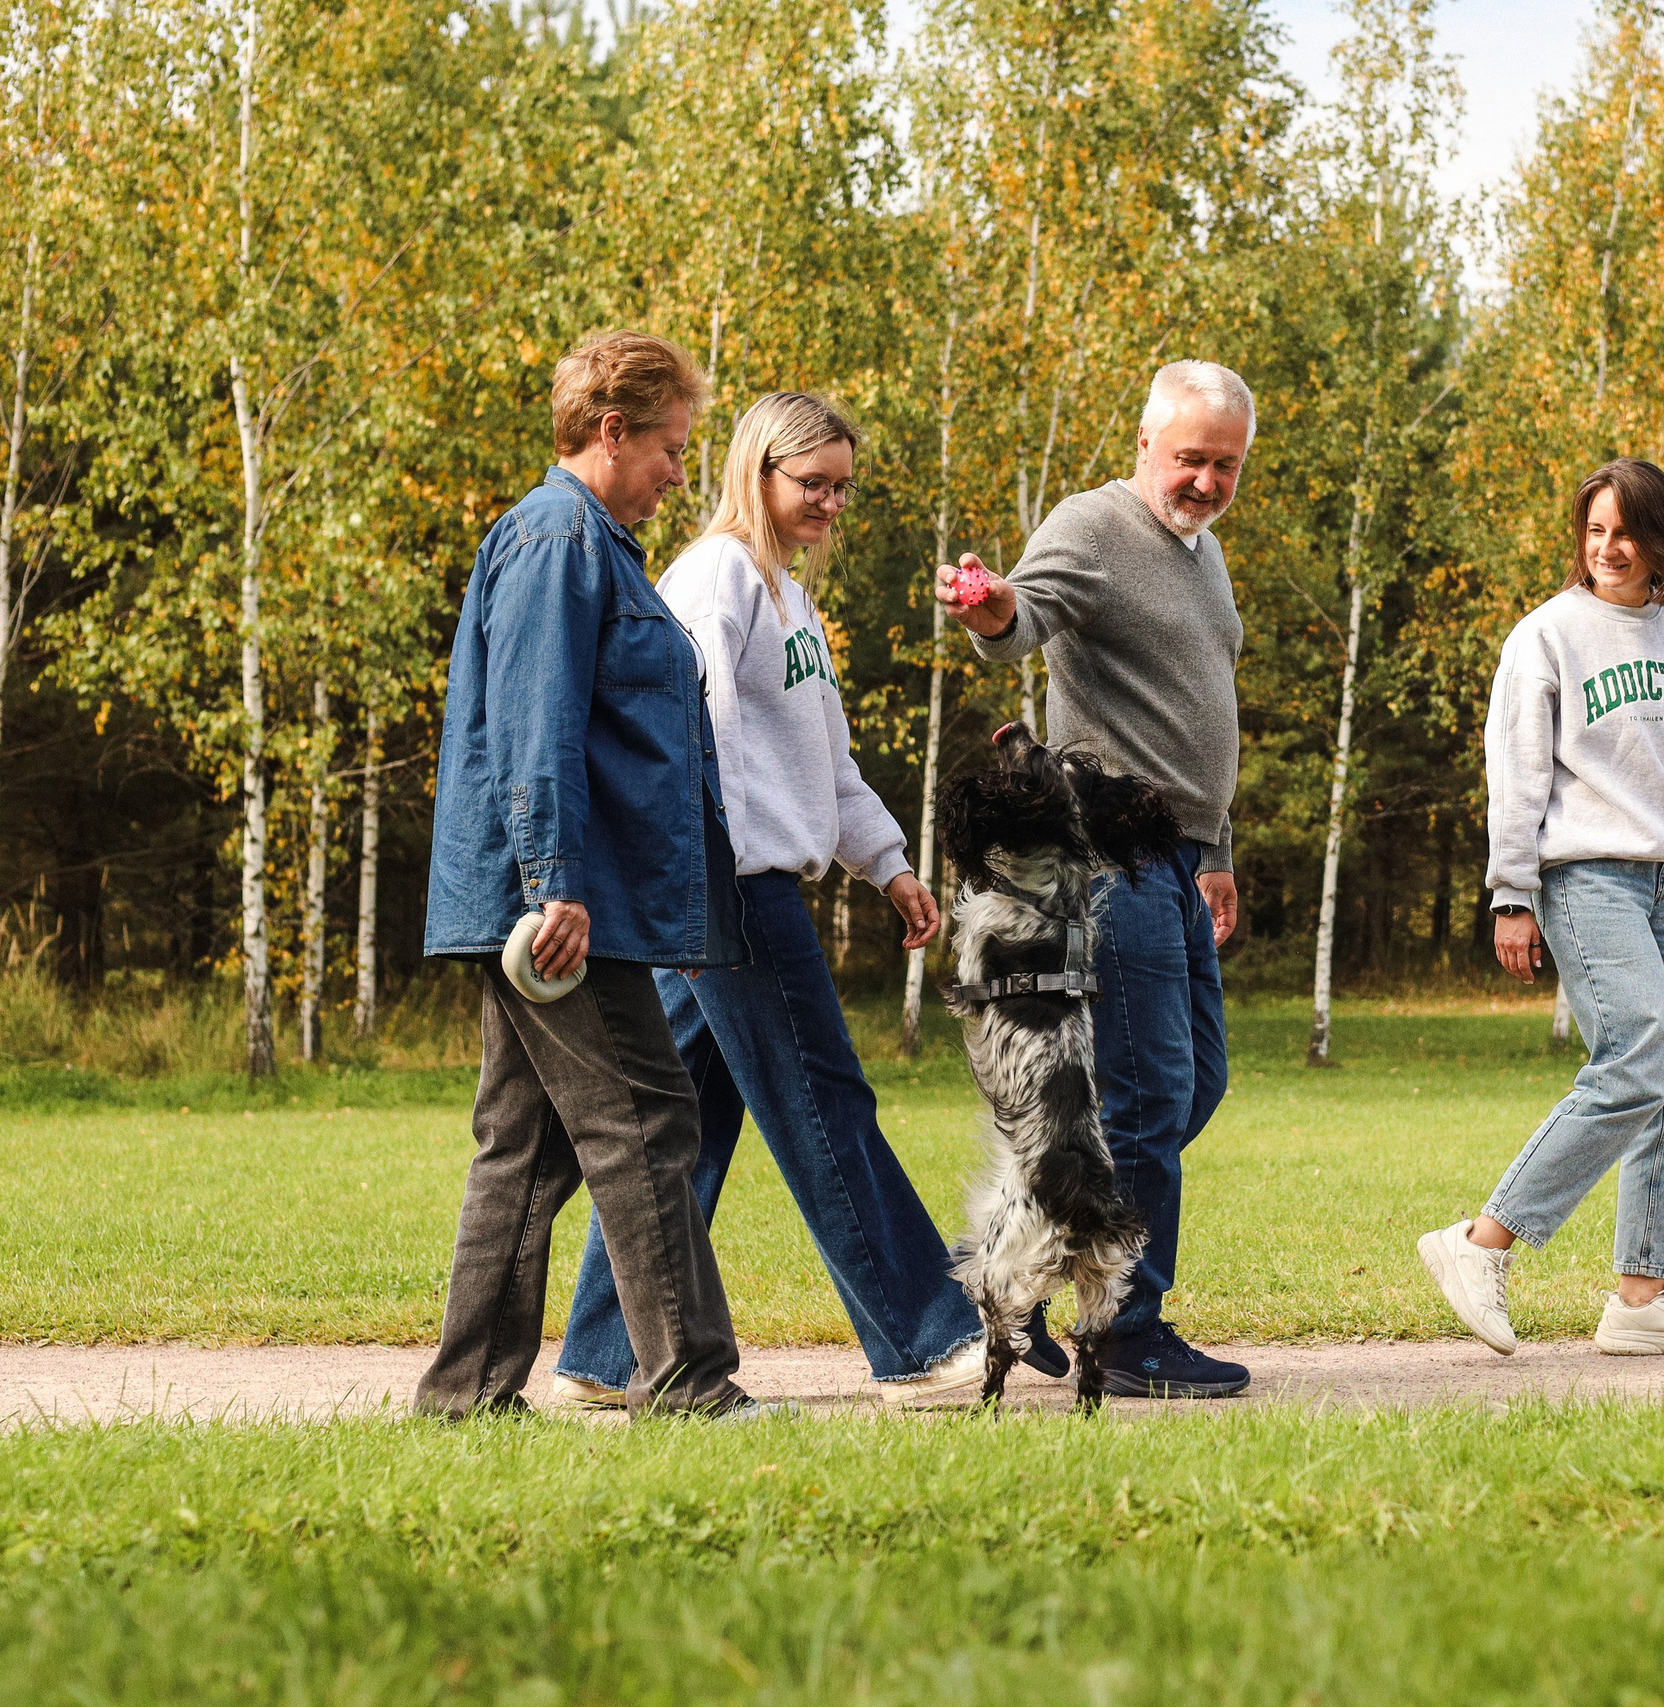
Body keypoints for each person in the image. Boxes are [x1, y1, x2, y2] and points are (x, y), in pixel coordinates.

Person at [554, 391, 1061, 1405]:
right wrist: (701, 882)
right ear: (759, 471)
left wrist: (890, 863)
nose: (831, 502)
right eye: (812, 483)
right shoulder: (718, 578)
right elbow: (692, 740)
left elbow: (823, 764)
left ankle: (606, 1359)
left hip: (738, 885)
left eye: (841, 486)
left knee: (676, 1132)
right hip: (730, 889)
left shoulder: (788, 598)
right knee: (824, 1106)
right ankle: (920, 1343)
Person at [416, 330, 775, 1421]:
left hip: (564, 895)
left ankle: (466, 1397)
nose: (679, 471)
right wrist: (552, 882)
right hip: (561, 906)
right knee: (648, 1117)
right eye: (669, 446)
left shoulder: (595, 544)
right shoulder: (556, 540)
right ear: (610, 430)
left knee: (525, 1150)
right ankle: (690, 1383)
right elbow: (534, 724)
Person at [935, 360, 1254, 1399]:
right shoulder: (1096, 526)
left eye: (1224, 463)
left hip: (1177, 860)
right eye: (1189, 458)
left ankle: (1018, 1281)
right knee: (1144, 1098)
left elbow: (1198, 711)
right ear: (1145, 448)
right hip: (1103, 860)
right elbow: (1022, 620)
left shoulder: (1200, 556)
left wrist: (1216, 855)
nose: (1204, 479)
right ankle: (1124, 1335)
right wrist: (987, 606)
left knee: (1187, 1087)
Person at [1417, 457, 1664, 1358]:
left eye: (1626, 531)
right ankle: (1481, 1241)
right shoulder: (1548, 635)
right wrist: (1511, 893)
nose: (1608, 548)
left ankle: (1642, 1297)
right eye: (1594, 530)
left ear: (1663, 540)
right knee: (1637, 1056)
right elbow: (1519, 771)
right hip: (1585, 879)